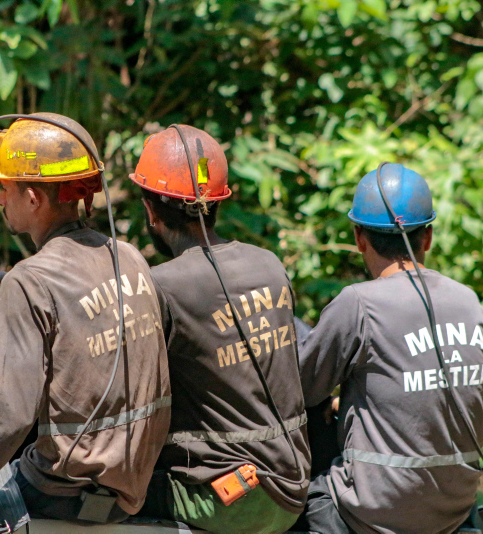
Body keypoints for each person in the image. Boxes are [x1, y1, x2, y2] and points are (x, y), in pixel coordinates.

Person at [0, 113, 171, 534]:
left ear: (33, 198)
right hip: (130, 492)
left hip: (62, 494)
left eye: (5, 188)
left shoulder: (29, 281)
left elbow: (11, 415)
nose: (0, 200)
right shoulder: (130, 256)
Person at [130, 125, 310, 534]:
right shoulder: (269, 264)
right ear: (218, 204)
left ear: (151, 212)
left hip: (228, 502)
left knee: (102, 497)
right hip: (293, 488)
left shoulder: (162, 286)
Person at [296, 163, 483, 534]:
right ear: (428, 237)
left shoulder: (357, 303)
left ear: (359, 238)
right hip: (453, 508)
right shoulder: (469, 301)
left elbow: (301, 391)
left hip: (374, 511)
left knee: (294, 496)